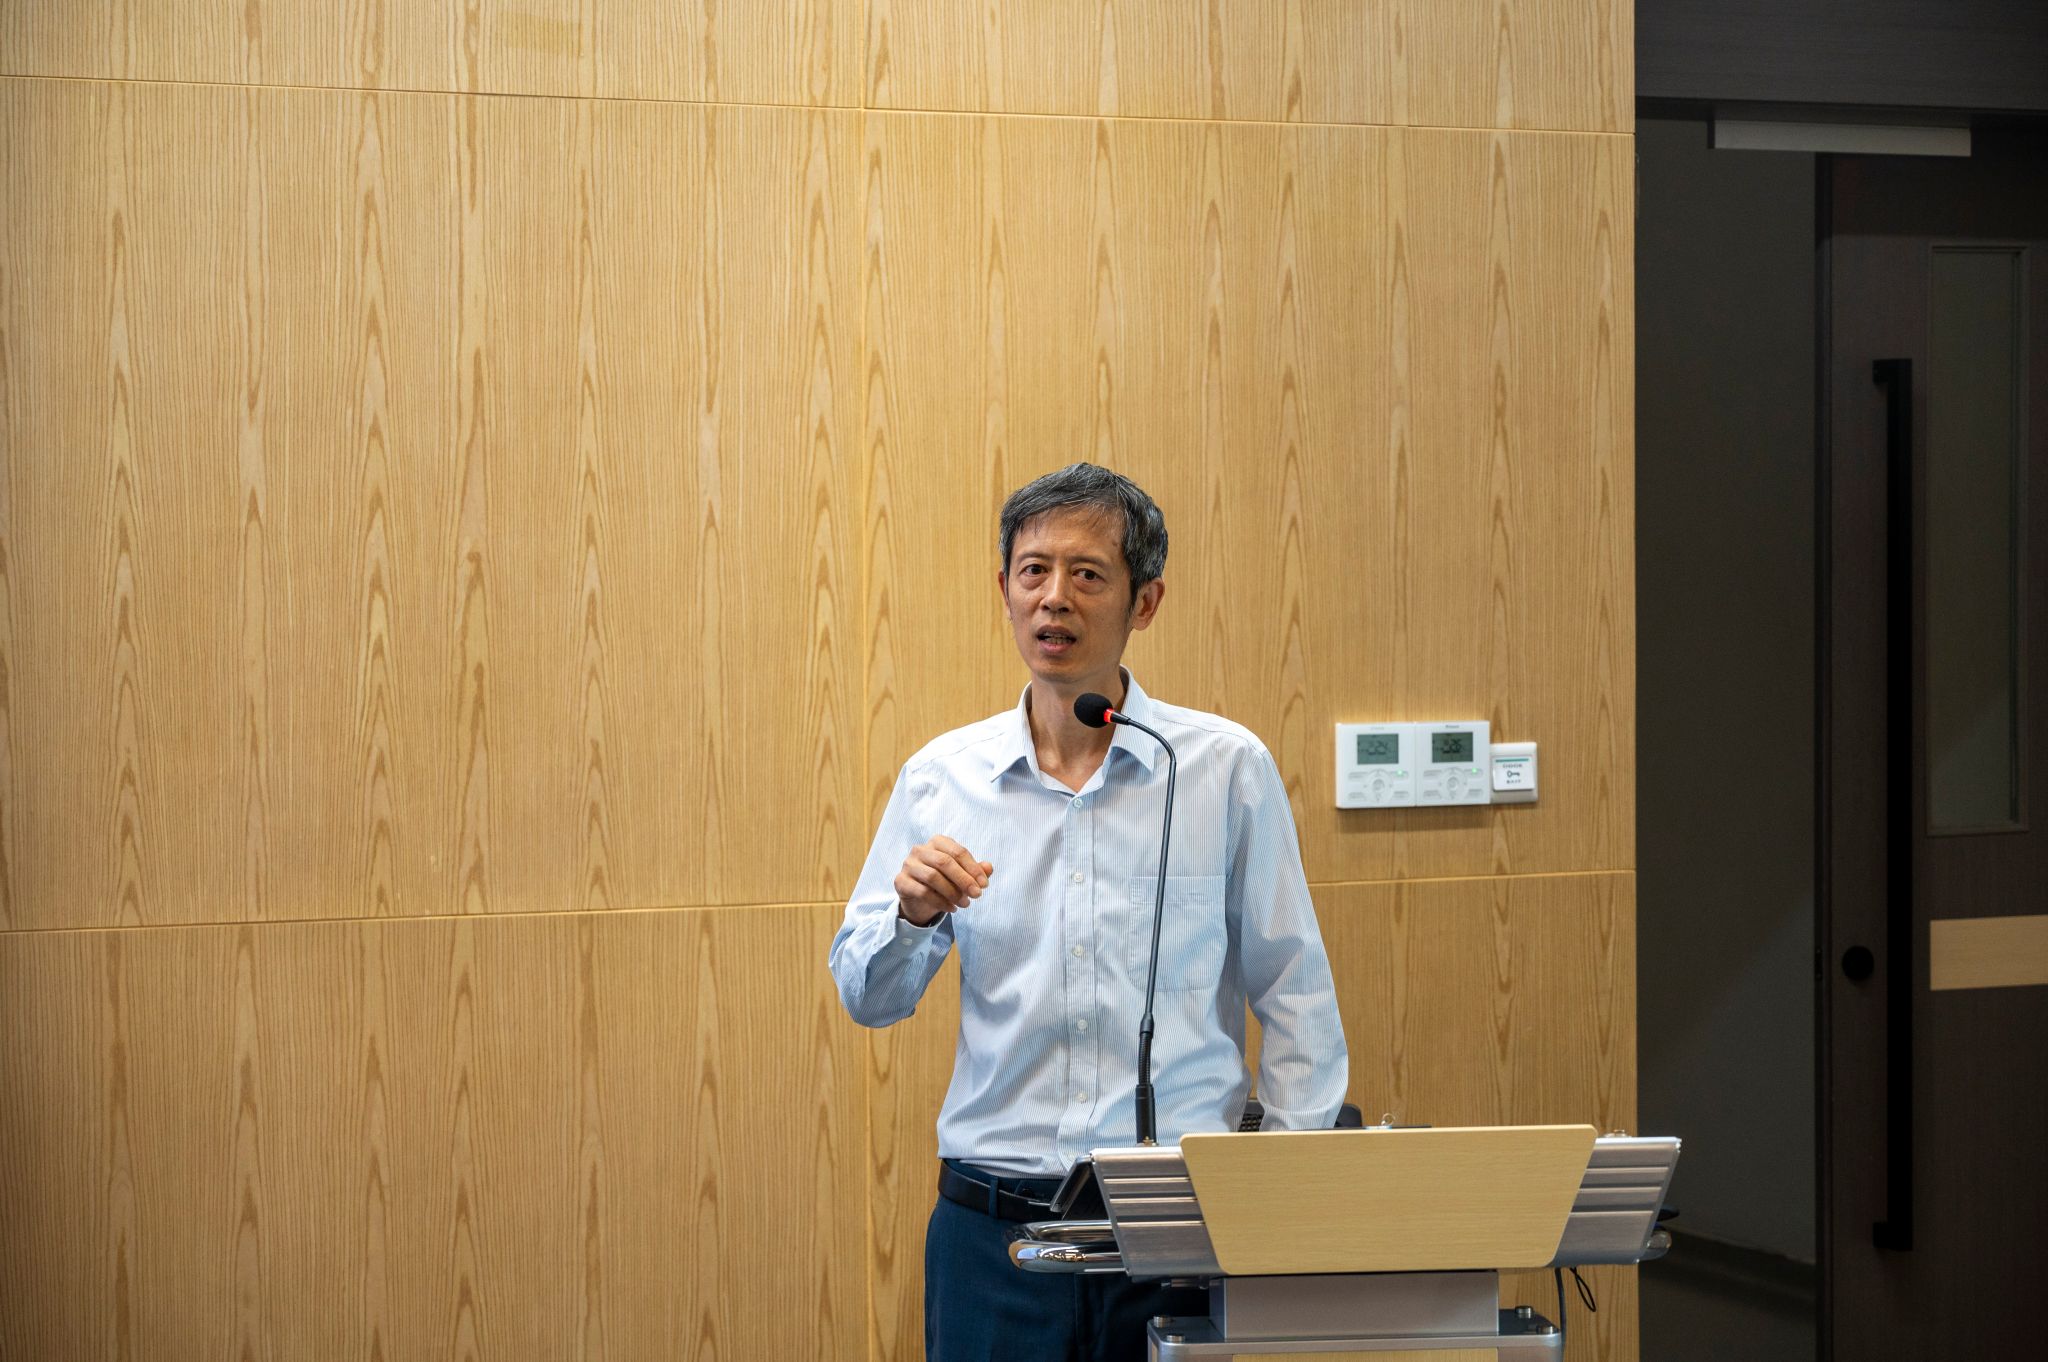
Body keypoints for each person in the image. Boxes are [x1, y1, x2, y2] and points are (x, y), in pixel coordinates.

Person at [828, 463, 1349, 1362]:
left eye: (1088, 574)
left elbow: (1294, 990)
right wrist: (909, 920)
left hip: (1182, 1229)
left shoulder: (1221, 769)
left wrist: (1279, 1206)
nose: (1054, 598)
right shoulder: (942, 779)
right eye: (1033, 571)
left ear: (1145, 602)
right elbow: (867, 998)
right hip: (996, 1236)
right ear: (1004, 589)